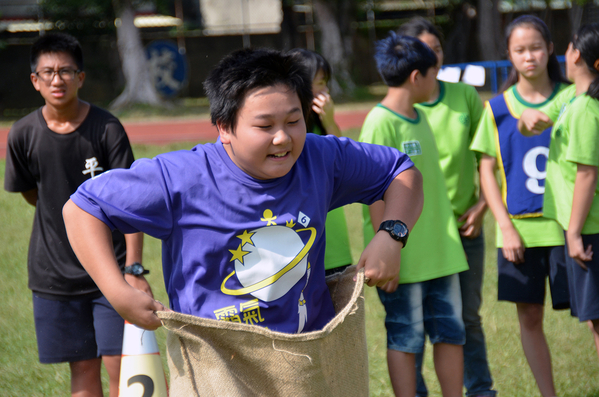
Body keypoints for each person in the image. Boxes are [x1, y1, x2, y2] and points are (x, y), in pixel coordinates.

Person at [61, 47, 424, 336]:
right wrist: (117, 291)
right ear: (224, 128)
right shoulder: (180, 177)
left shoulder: (321, 156)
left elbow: (401, 171)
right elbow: (82, 208)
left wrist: (392, 234)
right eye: (265, 125)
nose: (283, 137)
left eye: (294, 121)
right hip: (217, 366)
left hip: (308, 363)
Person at [3, 33, 152, 397]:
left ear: (81, 77)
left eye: (67, 71)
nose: (58, 80)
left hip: (112, 272)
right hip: (55, 275)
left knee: (122, 369)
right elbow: (32, 193)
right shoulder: (22, 134)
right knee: (82, 375)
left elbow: (129, 205)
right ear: (35, 80)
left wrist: (132, 270)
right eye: (48, 72)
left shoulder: (107, 129)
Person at [360, 32, 468, 397]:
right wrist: (388, 252)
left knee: (451, 334)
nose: (436, 82)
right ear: (416, 77)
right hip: (404, 259)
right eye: (434, 74)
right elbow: (375, 194)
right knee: (405, 338)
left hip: (443, 252)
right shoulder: (379, 122)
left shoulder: (421, 117)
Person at [470, 15, 571, 397]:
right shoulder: (496, 108)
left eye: (536, 47)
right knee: (529, 316)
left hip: (568, 227)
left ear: (550, 49)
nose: (530, 56)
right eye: (520, 50)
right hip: (521, 230)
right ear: (509, 56)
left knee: (593, 316)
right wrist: (505, 226)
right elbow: (487, 172)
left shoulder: (572, 98)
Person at [397, 17, 493, 397]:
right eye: (423, 50)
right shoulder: (398, 111)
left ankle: (481, 390)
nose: (432, 57)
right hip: (419, 237)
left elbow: (489, 158)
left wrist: (484, 205)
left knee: (466, 318)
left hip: (465, 231)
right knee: (415, 325)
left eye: (436, 48)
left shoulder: (464, 97)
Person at [519, 23, 599, 360]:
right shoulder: (573, 99)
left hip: (589, 227)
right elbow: (535, 119)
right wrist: (528, 116)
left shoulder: (583, 109)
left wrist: (574, 233)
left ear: (576, 53)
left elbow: (586, 174)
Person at [288, 48, 353, 276]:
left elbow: (345, 163)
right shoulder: (285, 135)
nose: (326, 90)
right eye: (320, 82)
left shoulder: (323, 128)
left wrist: (329, 121)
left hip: (334, 246)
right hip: (298, 247)